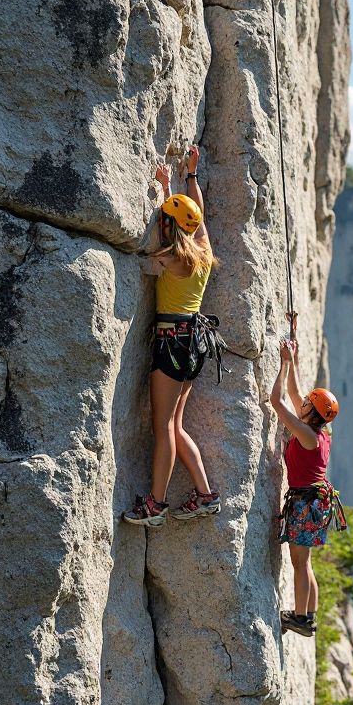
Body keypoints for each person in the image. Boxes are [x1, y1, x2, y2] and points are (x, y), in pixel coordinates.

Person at [124, 146, 222, 527]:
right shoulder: (203, 253)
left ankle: (156, 505)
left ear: (169, 227)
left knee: (163, 425)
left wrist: (168, 190)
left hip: (171, 343)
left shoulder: (166, 259)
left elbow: (164, 235)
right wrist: (185, 179)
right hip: (194, 344)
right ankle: (205, 494)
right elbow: (196, 218)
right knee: (176, 424)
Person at [270, 327, 344, 636]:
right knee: (307, 562)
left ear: (311, 413)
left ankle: (299, 618)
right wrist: (294, 358)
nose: (302, 402)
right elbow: (295, 393)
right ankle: (308, 616)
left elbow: (277, 401)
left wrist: (284, 363)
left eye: (307, 403)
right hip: (316, 503)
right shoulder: (321, 431)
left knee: (299, 564)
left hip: (305, 505)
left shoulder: (305, 434)